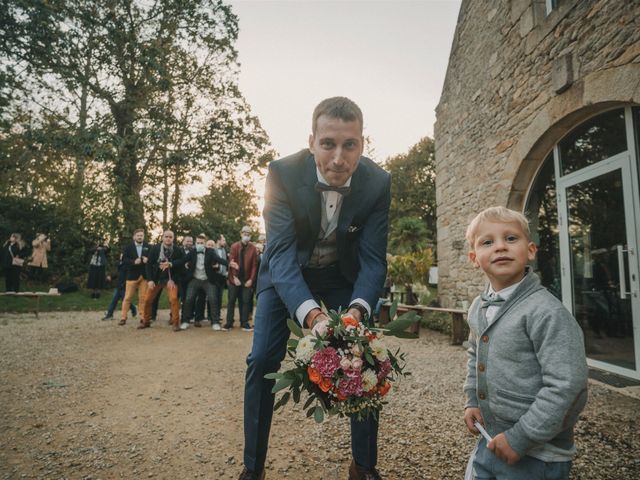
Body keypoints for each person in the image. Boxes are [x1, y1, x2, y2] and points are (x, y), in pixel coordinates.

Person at [239, 97, 390, 480]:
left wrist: (356, 312)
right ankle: (252, 469)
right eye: (328, 144)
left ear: (362, 144)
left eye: (350, 145)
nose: (339, 158)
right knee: (261, 361)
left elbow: (373, 259)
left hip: (343, 276)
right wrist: (312, 315)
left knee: (367, 357)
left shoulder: (378, 182)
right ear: (311, 142)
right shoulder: (281, 174)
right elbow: (282, 255)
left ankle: (364, 466)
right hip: (286, 276)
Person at [462, 206, 588, 480]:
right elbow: (475, 353)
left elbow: (568, 384)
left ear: (530, 250)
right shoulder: (478, 307)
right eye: (488, 242)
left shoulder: (546, 312)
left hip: (537, 455)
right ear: (474, 258)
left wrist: (521, 437)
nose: (500, 247)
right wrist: (473, 400)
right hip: (490, 440)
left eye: (510, 238)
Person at [181, 234, 234, 330]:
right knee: (188, 299)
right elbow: (182, 260)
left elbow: (219, 260)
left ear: (205, 243)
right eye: (198, 243)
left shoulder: (210, 252)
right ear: (195, 243)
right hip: (195, 279)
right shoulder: (192, 252)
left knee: (213, 299)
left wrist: (229, 263)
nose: (199, 245)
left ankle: (215, 322)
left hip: (207, 280)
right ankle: (185, 321)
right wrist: (171, 264)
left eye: (201, 243)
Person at [139, 230, 185, 331]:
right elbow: (149, 264)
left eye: (170, 237)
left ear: (173, 238)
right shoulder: (155, 249)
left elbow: (182, 263)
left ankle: (175, 323)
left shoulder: (177, 250)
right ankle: (146, 321)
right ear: (162, 238)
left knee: (173, 299)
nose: (168, 239)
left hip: (170, 280)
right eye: (166, 237)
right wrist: (150, 280)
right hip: (156, 279)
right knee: (147, 300)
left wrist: (172, 277)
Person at [224, 226, 258, 332]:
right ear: (241, 233)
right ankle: (229, 323)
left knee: (246, 301)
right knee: (231, 301)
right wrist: (234, 277)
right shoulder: (234, 246)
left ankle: (244, 323)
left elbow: (254, 266)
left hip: (247, 279)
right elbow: (232, 262)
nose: (246, 235)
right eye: (245, 233)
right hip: (234, 279)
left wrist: (251, 279)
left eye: (248, 233)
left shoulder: (253, 248)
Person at [119, 229, 150, 326]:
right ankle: (123, 318)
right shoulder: (128, 247)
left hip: (144, 276)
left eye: (141, 235)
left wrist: (147, 260)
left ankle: (142, 318)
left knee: (143, 298)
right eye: (138, 235)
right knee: (127, 297)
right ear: (134, 237)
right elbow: (124, 260)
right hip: (132, 276)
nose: (140, 237)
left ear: (144, 237)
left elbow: (153, 259)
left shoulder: (148, 247)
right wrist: (133, 262)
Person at [102, 253, 137, 321]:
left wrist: (124, 284)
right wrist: (111, 277)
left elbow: (128, 276)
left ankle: (133, 308)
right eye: (121, 255)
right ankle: (110, 315)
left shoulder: (127, 265)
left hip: (123, 286)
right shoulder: (120, 264)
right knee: (115, 300)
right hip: (118, 285)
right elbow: (118, 273)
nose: (121, 256)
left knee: (124, 300)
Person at [179, 235, 195, 323]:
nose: (189, 243)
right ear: (183, 242)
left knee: (191, 297)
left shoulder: (194, 251)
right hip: (180, 278)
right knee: (182, 298)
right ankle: (182, 317)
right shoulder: (179, 250)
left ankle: (190, 315)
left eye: (191, 242)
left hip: (192, 278)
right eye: (187, 241)